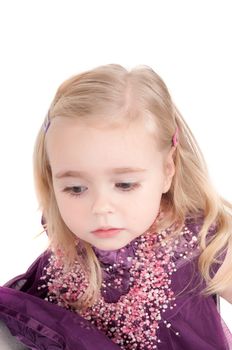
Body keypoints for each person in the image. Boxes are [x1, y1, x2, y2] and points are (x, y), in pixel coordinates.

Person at [0, 64, 232, 350]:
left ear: (168, 169)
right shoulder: (65, 251)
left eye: (124, 185)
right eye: (75, 189)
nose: (101, 207)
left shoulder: (199, 241)